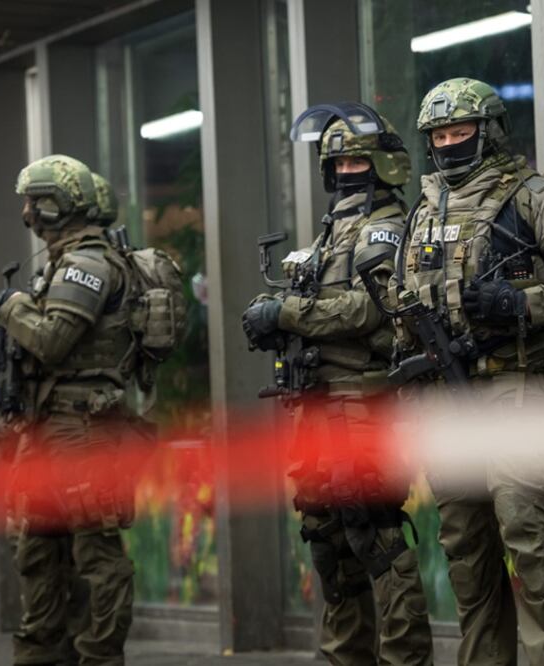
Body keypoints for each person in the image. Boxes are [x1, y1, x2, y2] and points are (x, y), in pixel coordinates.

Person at [394, 77, 544, 665]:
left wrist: (524, 304)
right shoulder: (421, 208)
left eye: (462, 131)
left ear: (489, 133)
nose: (450, 143)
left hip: (517, 389)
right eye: (439, 134)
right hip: (446, 401)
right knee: (466, 549)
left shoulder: (532, 193)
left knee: (529, 538)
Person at [241, 103, 433, 666]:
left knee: (372, 532)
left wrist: (287, 313)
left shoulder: (388, 225)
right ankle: (344, 656)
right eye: (339, 162)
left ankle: (405, 659)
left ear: (383, 165)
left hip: (365, 402)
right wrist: (271, 312)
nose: (347, 171)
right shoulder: (332, 231)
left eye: (358, 161)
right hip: (319, 404)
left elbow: (368, 311)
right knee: (326, 538)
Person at [0, 154, 183, 666]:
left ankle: (98, 656)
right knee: (37, 550)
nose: (27, 211)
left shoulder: (86, 265)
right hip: (49, 428)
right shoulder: (59, 262)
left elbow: (52, 341)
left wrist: (10, 307)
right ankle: (42, 653)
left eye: (34, 200)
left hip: (83, 430)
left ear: (57, 205)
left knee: (95, 555)